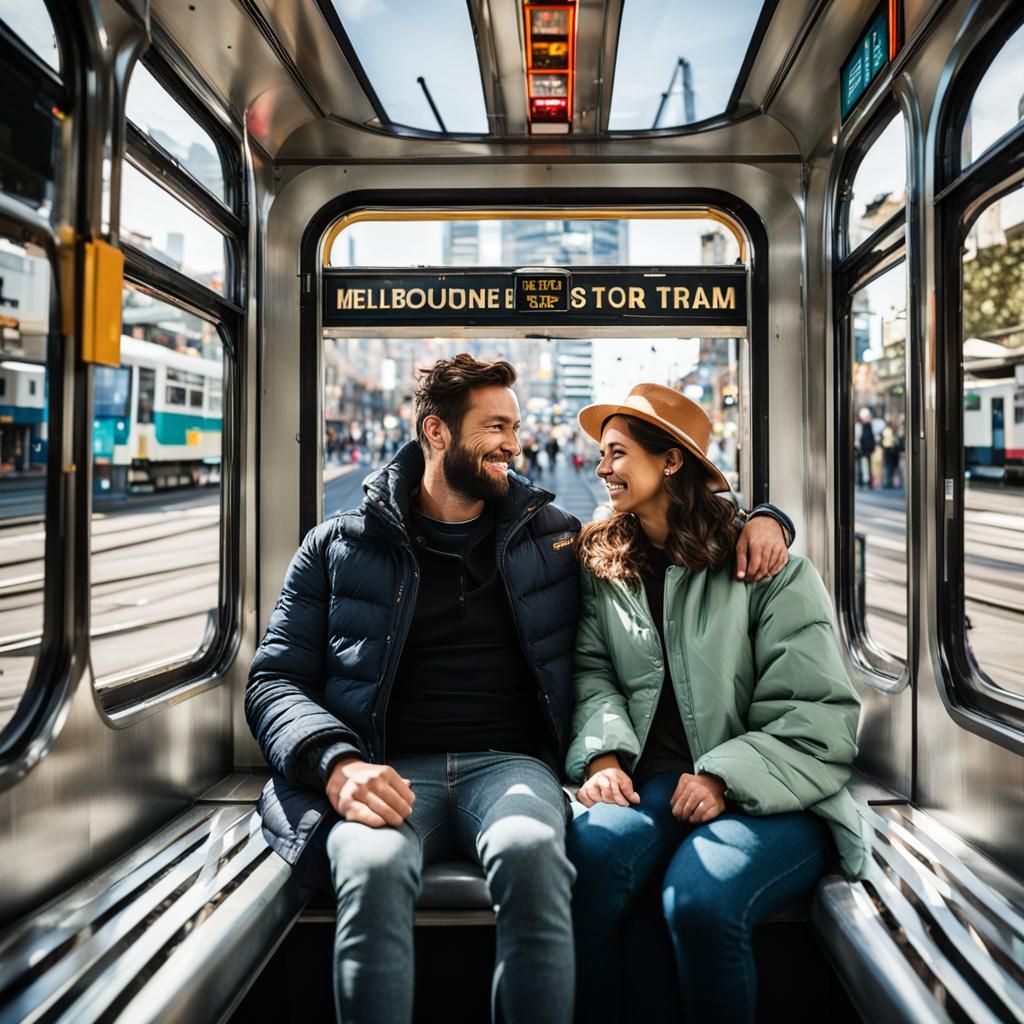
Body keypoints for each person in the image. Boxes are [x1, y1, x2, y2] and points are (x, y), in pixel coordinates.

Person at [246, 356, 793, 1024]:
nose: (516, 441)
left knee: (534, 854)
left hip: (509, 766)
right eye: (497, 426)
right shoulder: (337, 545)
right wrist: (335, 764)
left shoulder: (556, 537)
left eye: (517, 425)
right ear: (436, 432)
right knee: (370, 867)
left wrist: (765, 518)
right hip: (381, 765)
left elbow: (671, 523)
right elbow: (274, 680)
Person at [564, 383, 869, 1024]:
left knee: (698, 900)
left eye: (617, 453)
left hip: (779, 794)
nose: (601, 469)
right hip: (657, 786)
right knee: (588, 863)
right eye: (601, 455)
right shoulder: (606, 565)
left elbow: (817, 720)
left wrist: (723, 776)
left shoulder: (768, 568)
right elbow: (595, 673)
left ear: (670, 460)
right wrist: (603, 759)